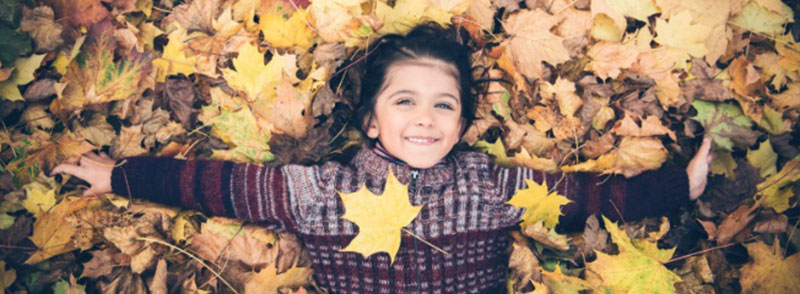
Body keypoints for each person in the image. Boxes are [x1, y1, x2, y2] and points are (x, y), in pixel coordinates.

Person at [52, 23, 713, 294]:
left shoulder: (492, 184)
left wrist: (678, 188)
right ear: (371, 120)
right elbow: (215, 184)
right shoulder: (319, 191)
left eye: (443, 106)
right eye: (405, 101)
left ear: (461, 125)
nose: (424, 116)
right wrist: (117, 175)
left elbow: (589, 198)